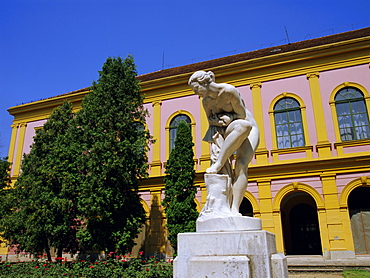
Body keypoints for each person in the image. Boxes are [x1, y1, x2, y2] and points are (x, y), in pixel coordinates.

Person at [188, 71, 260, 215]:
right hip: (224, 131)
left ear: (204, 83)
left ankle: (234, 208)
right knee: (227, 169)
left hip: (246, 127)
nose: (197, 93)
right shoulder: (206, 102)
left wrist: (230, 118)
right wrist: (219, 121)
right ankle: (220, 164)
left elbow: (242, 116)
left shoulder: (229, 91)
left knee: (241, 165)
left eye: (197, 89)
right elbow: (211, 121)